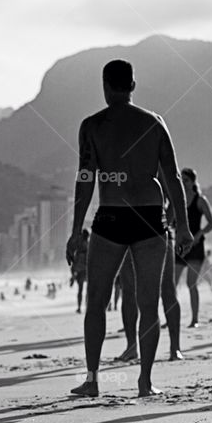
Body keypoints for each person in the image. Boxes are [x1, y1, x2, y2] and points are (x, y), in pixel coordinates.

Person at [66, 59, 192, 398]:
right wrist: (183, 227)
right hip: (150, 218)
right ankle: (145, 382)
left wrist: (76, 230)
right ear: (133, 85)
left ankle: (92, 380)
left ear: (105, 86)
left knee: (96, 301)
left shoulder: (92, 125)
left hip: (111, 217)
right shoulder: (154, 123)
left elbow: (85, 178)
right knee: (148, 302)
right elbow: (173, 177)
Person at [116, 197, 184, 362]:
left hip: (159, 231)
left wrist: (164, 224)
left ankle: (175, 347)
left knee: (167, 289)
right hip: (126, 231)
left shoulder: (157, 170)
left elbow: (174, 192)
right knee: (129, 291)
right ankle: (131, 346)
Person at [174, 168, 212, 328]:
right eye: (181, 180)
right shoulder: (178, 199)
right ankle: (172, 319)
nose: (183, 183)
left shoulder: (200, 200)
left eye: (186, 180)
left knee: (191, 283)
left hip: (196, 247)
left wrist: (198, 235)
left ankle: (195, 319)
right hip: (179, 246)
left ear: (193, 182)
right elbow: (170, 221)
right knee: (172, 284)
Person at [69, 229, 90, 313]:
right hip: (87, 270)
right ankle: (87, 307)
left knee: (80, 290)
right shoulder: (89, 245)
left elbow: (75, 261)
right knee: (88, 290)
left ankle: (79, 307)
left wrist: (73, 274)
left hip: (80, 271)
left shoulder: (80, 247)